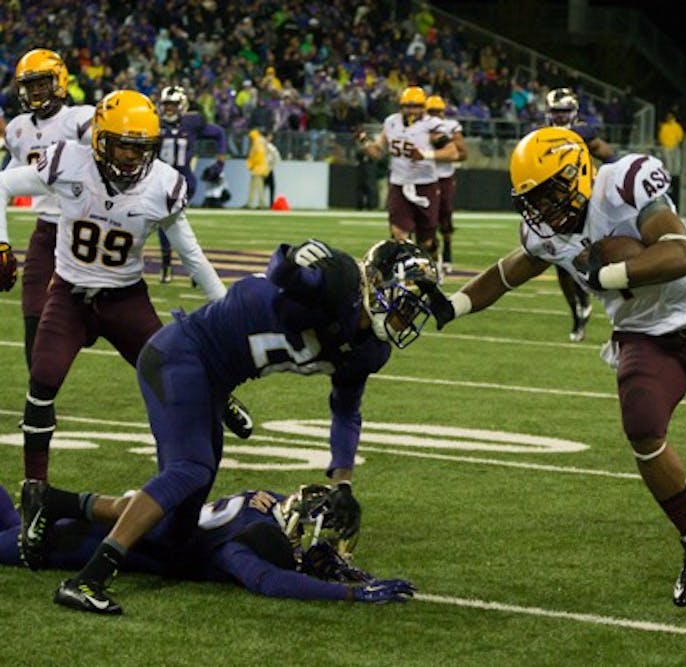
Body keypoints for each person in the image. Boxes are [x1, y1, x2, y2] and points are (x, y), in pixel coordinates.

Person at [424, 126, 686, 607]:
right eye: (532, 199)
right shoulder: (549, 230)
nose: (542, 208)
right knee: (643, 431)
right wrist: (452, 306)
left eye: (549, 193)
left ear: (578, 172)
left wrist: (606, 273)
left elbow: (681, 254)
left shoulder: (623, 183)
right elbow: (507, 272)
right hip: (642, 335)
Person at [44, 238, 447, 614]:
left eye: (413, 309)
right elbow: (280, 272)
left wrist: (343, 483)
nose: (405, 315)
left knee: (176, 532)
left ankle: (54, 502)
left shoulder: (369, 350)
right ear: (375, 282)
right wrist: (293, 258)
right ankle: (87, 579)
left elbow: (346, 411)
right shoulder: (337, 283)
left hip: (215, 382)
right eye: (404, 302)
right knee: (189, 468)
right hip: (183, 354)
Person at [0, 90, 254, 568]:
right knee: (42, 379)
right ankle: (35, 491)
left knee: (179, 373)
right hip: (70, 295)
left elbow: (191, 255)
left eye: (143, 148)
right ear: (100, 142)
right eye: (125, 146)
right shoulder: (67, 162)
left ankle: (223, 398)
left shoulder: (163, 183)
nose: (136, 157)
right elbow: (3, 185)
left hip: (125, 298)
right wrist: (1, 243)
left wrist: (227, 313)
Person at [0, 483, 415, 609]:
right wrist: (350, 593)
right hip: (79, 544)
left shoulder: (266, 502)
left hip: (104, 527)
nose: (321, 550)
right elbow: (266, 580)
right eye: (321, 538)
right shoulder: (251, 541)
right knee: (8, 541)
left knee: (13, 524)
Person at [0, 49, 95, 371]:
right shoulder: (17, 128)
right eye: (30, 85)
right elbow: (11, 176)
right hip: (45, 230)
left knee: (99, 315)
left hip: (83, 229)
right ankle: (38, 398)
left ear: (59, 81)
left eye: (42, 83)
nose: (36, 91)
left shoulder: (80, 119)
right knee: (33, 312)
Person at [544, 87, 617, 343]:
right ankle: (578, 310)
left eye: (564, 112)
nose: (560, 116)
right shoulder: (540, 135)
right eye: (556, 111)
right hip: (555, 204)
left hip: (586, 201)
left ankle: (613, 311)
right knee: (560, 264)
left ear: (574, 112)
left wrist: (611, 182)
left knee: (590, 257)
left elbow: (610, 157)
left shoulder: (582, 132)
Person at [355, 86, 460, 257]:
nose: (411, 110)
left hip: (425, 185)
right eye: (408, 106)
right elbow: (377, 152)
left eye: (416, 106)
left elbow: (452, 152)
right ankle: (407, 272)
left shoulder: (431, 125)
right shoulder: (391, 122)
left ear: (423, 107)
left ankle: (432, 265)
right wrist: (364, 141)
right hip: (399, 183)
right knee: (399, 232)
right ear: (401, 106)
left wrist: (425, 154)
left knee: (426, 241)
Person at [155, 85, 227, 283]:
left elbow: (219, 133)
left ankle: (170, 266)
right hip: (159, 181)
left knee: (167, 220)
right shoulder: (154, 123)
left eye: (173, 105)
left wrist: (220, 161)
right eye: (166, 105)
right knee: (169, 223)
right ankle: (193, 269)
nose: (168, 109)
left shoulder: (192, 122)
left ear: (183, 105)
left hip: (184, 181)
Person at [425, 94, 467, 274]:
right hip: (425, 177)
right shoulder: (420, 127)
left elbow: (463, 153)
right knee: (427, 220)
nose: (434, 115)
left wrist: (444, 151)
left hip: (444, 178)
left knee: (445, 217)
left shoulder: (451, 127)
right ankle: (428, 256)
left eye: (437, 111)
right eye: (431, 111)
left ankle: (447, 251)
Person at [245, 128, 269, 209]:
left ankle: (252, 203)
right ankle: (259, 203)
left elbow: (258, 154)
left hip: (258, 167)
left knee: (255, 186)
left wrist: (252, 164)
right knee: (259, 186)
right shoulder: (261, 141)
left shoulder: (257, 141)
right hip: (260, 166)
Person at [263, 131, 281, 208]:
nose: (270, 138)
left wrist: (272, 165)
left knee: (270, 187)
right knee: (264, 187)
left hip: (268, 169)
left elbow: (277, 158)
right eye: (269, 136)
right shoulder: (266, 146)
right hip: (264, 169)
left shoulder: (270, 147)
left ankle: (270, 204)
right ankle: (263, 203)